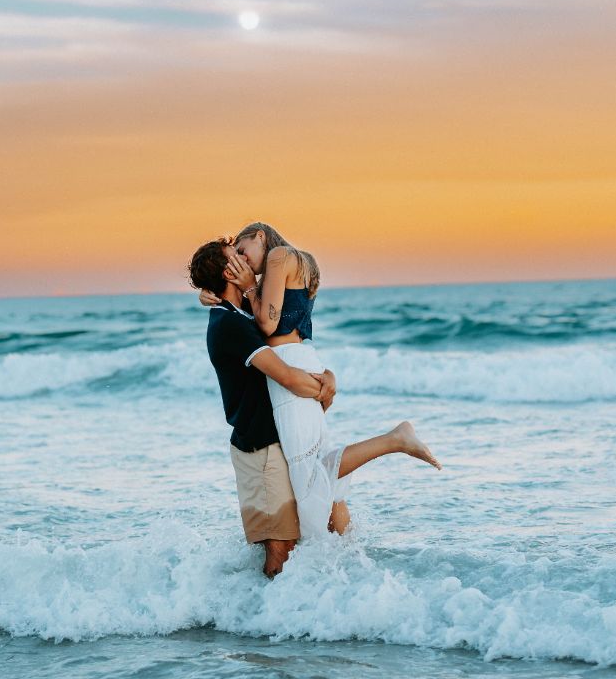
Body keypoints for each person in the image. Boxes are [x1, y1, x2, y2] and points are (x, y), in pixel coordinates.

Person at [203, 222, 441, 540]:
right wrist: (215, 295)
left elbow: (268, 325)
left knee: (307, 472)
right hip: (303, 358)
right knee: (319, 467)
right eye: (237, 260)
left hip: (289, 365)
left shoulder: (278, 258)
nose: (244, 262)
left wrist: (247, 288)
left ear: (259, 236)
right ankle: (345, 550)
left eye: (243, 252)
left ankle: (394, 440)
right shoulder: (297, 262)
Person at [188, 236, 340, 577]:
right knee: (279, 548)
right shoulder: (230, 324)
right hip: (260, 449)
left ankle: (275, 619)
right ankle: (266, 624)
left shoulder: (238, 314)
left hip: (271, 443)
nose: (246, 262)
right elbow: (286, 376)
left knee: (294, 538)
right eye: (236, 257)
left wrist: (324, 375)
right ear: (229, 272)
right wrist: (325, 386)